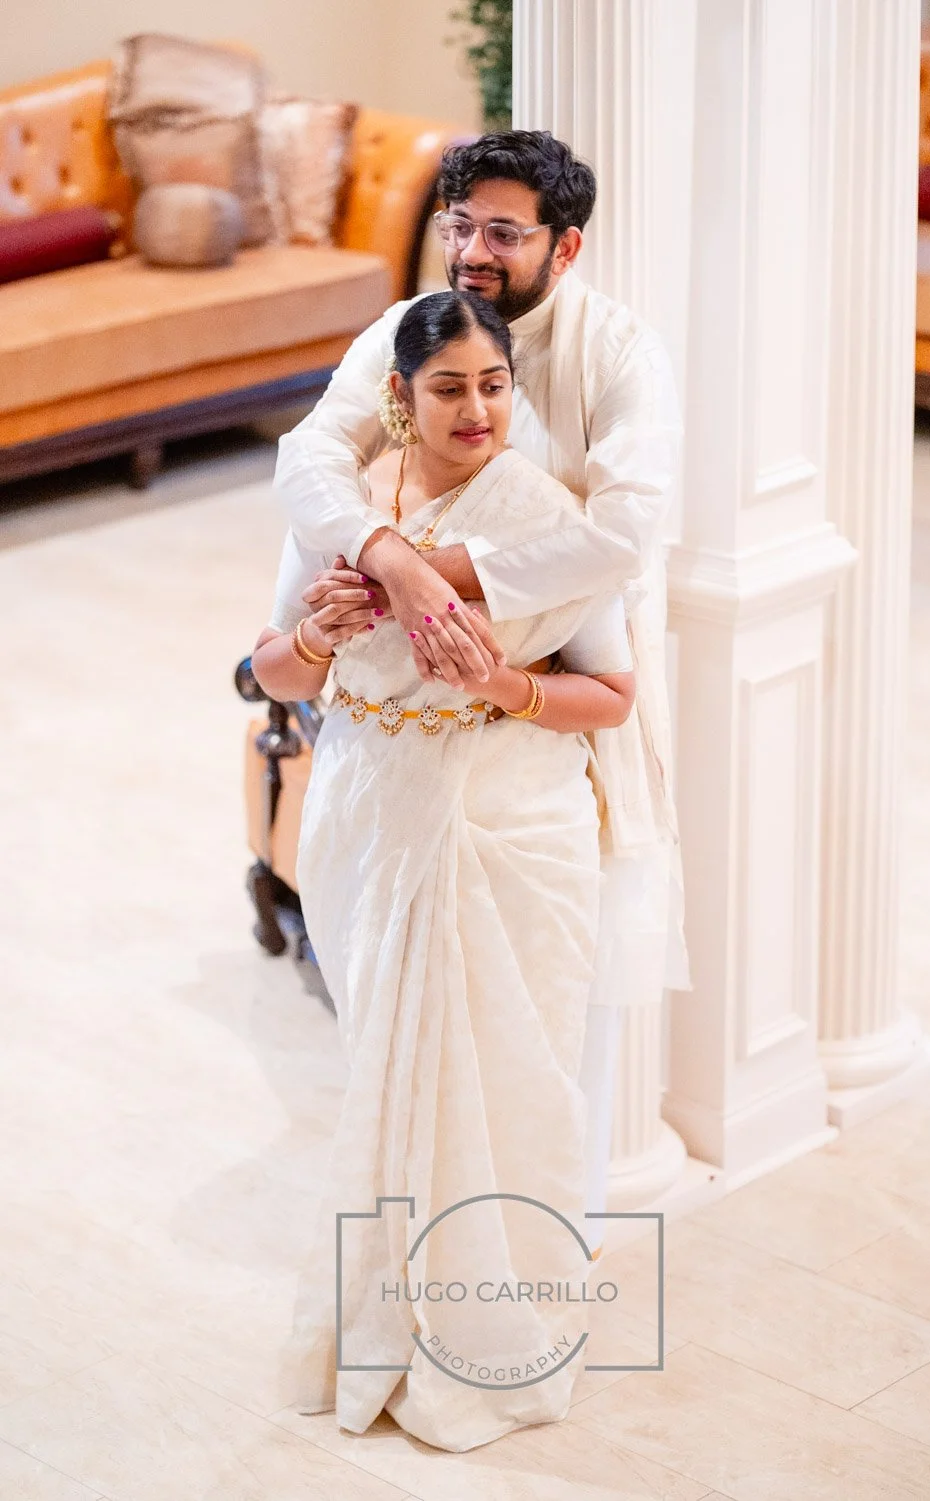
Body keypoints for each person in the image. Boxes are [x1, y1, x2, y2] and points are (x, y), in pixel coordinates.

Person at [275, 127, 690, 1344]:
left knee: (537, 1025)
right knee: (392, 1034)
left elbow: (623, 530)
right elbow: (310, 462)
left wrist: (440, 579)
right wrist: (387, 558)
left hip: (545, 726)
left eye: (501, 232)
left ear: (566, 243)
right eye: (460, 223)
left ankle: (518, 1290)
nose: (471, 250)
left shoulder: (617, 351)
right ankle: (408, 1280)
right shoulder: (409, 326)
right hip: (386, 740)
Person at [252, 290, 637, 1451]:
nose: (477, 409)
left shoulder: (540, 520)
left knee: (499, 1082)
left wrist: (497, 685)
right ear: (398, 398)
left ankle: (490, 1342)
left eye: (494, 384)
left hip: (502, 836)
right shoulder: (340, 513)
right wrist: (317, 636)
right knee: (387, 1078)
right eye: (449, 387)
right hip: (366, 827)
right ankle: (385, 1319)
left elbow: (611, 697)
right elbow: (274, 672)